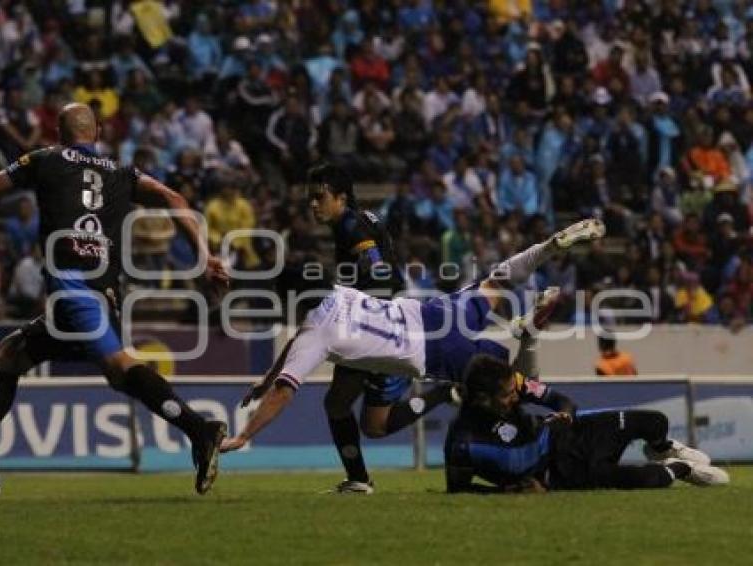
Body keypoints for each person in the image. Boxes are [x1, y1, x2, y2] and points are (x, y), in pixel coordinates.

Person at [0, 103, 230, 495]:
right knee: (9, 355)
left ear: (59, 135)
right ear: (97, 132)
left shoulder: (44, 159)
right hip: (102, 291)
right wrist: (204, 255)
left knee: (118, 366)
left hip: (75, 288)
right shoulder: (120, 172)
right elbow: (174, 199)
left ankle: (201, 431)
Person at [220, 218, 607, 454]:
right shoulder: (340, 291)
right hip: (436, 313)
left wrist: (244, 435)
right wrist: (265, 379)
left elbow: (285, 393)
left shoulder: (315, 333)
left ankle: (528, 335)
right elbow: (289, 358)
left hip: (435, 350)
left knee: (516, 383)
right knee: (498, 279)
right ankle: (550, 246)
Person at [307, 163, 449, 494]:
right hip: (391, 321)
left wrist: (357, 310)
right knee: (374, 426)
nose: (314, 204)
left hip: (381, 326)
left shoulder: (352, 228)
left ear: (340, 198)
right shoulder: (358, 219)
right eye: (310, 198)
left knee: (338, 405)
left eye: (319, 197)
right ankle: (445, 393)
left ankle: (358, 480)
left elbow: (378, 272)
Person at [444, 354, 728, 493]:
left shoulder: (513, 383)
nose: (515, 396)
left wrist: (565, 413)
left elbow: (560, 400)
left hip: (572, 432)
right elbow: (458, 489)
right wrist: (506, 491)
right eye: (507, 395)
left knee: (654, 421)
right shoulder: (463, 442)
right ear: (483, 398)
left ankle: (663, 447)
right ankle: (682, 468)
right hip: (562, 473)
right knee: (645, 480)